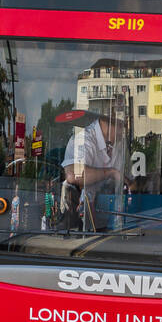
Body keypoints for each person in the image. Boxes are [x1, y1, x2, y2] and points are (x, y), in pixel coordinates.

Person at [61, 98, 127, 230]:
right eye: (121, 125)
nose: (123, 130)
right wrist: (110, 172)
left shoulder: (119, 144)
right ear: (107, 122)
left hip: (112, 221)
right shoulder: (83, 139)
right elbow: (75, 176)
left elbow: (127, 180)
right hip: (79, 224)